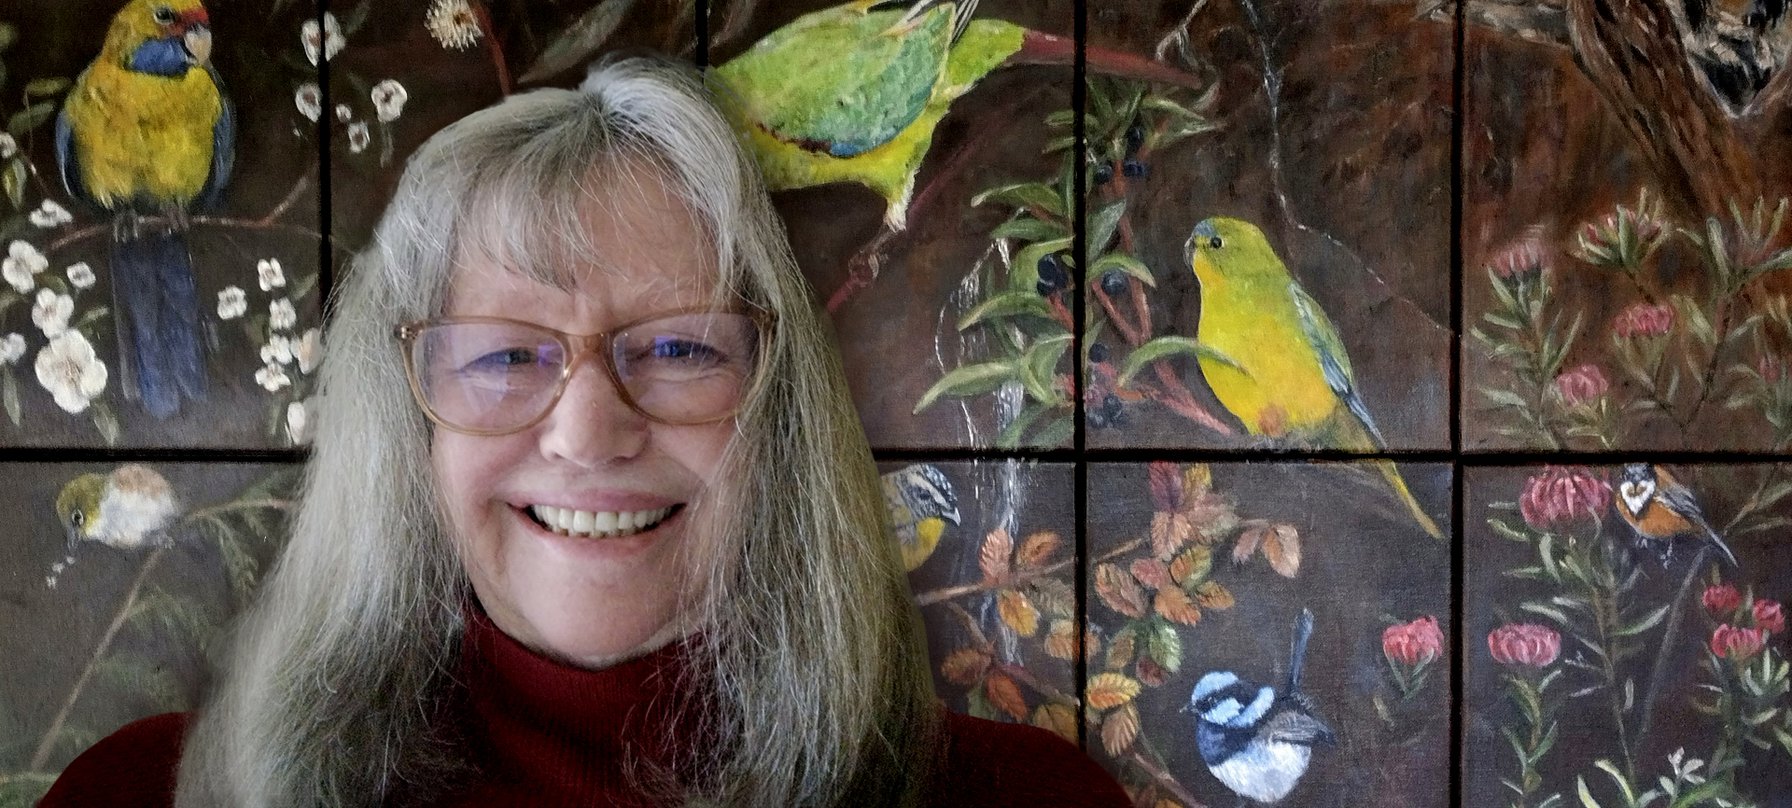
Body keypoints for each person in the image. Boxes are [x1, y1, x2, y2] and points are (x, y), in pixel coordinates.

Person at [42, 55, 1129, 807]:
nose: (590, 431)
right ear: (403, 424)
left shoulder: (1030, 800)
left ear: (777, 408)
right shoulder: (141, 796)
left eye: (678, 347)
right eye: (507, 354)